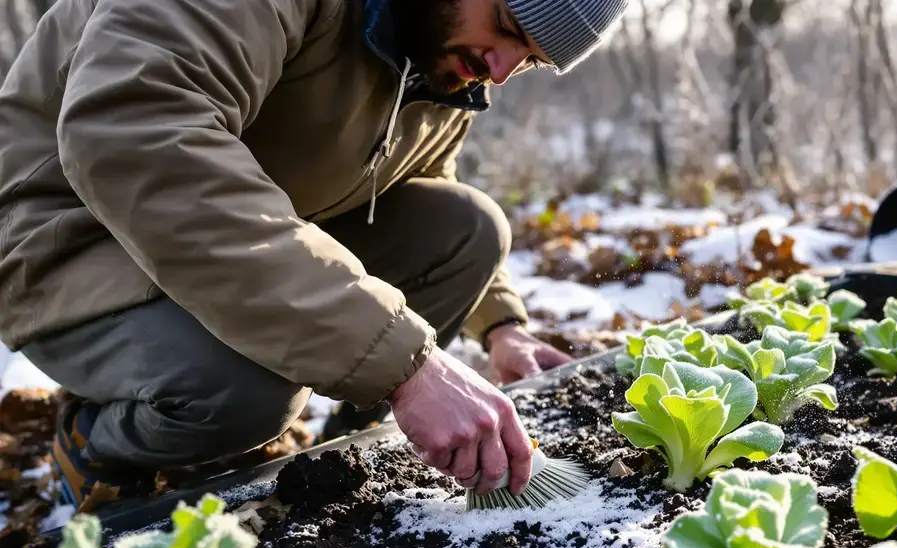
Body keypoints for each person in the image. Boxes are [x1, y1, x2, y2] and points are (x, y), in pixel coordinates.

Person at [0, 0, 630, 512]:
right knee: (247, 392)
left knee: (468, 228)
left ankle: (349, 451)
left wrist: (500, 325)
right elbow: (137, 138)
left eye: (530, 60)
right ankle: (98, 444)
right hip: (69, 235)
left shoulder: (434, 49)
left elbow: (425, 182)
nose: (498, 69)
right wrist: (407, 366)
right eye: (507, 28)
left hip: (213, 232)